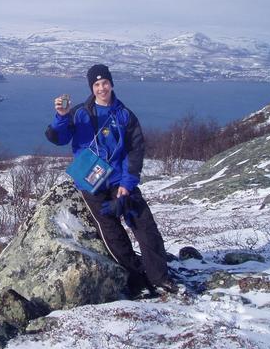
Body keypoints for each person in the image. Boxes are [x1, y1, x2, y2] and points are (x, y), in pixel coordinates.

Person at [45, 64, 177, 296]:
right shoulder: (79, 113)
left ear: (111, 84)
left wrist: (126, 186)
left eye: (104, 82)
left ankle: (160, 277)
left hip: (119, 180)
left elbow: (135, 151)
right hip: (91, 182)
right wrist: (61, 117)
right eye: (96, 84)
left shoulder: (125, 115)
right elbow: (58, 138)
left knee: (145, 226)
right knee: (111, 232)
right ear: (91, 88)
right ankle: (137, 279)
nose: (101, 88)